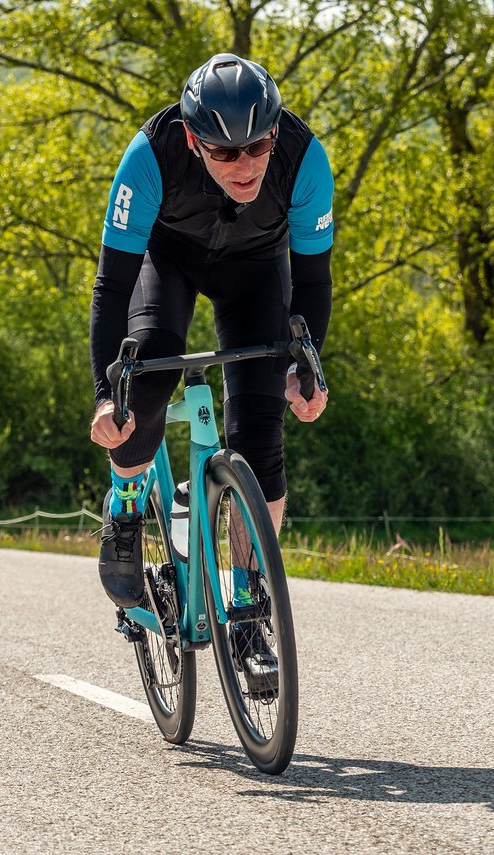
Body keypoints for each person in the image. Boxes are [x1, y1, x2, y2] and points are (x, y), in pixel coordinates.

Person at [88, 54, 333, 681]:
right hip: (166, 265)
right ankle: (123, 512)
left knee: (261, 437)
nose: (246, 165)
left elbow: (312, 280)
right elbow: (112, 289)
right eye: (225, 154)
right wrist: (103, 394)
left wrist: (306, 369)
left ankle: (250, 609)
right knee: (144, 390)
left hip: (257, 273)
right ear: (194, 140)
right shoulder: (149, 157)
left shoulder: (305, 161)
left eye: (257, 146)